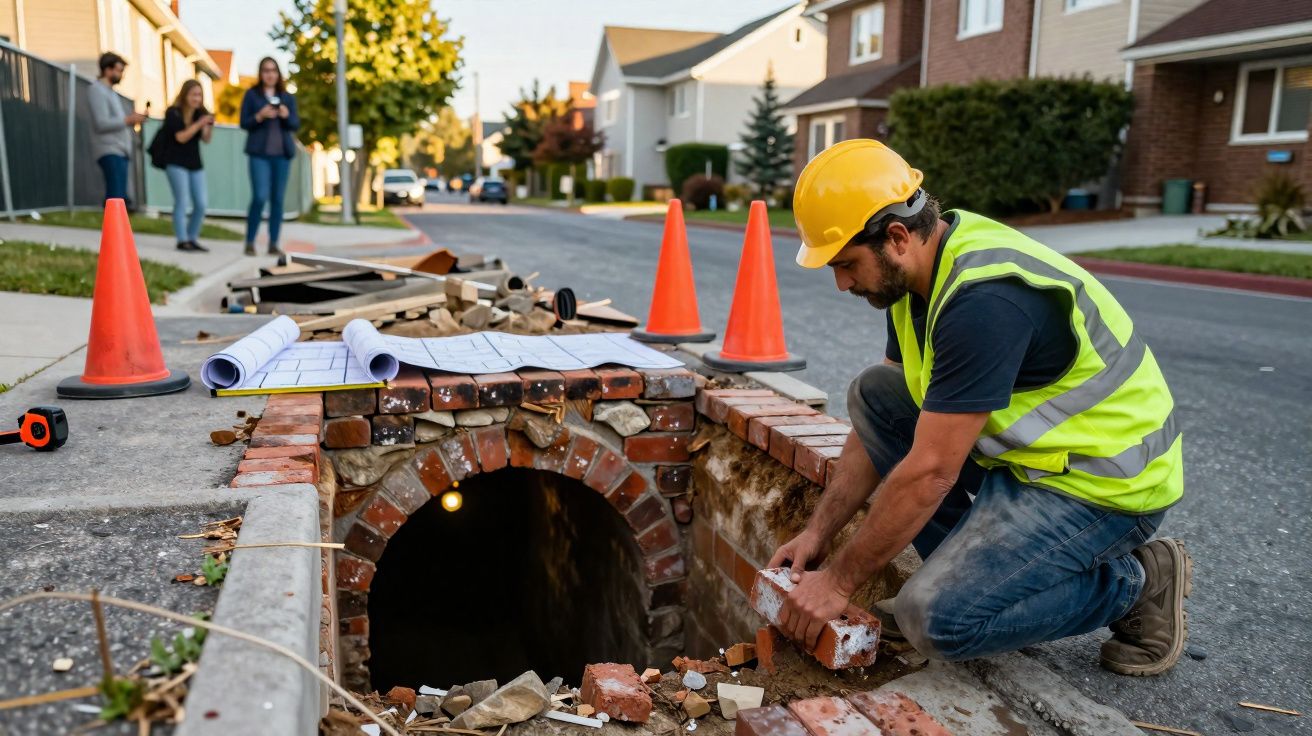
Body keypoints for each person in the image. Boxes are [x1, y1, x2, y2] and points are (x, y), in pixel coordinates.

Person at [771, 139, 1190, 677]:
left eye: (847, 263)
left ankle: (1137, 584)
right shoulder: (917, 278)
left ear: (896, 237)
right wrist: (816, 534)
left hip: (1100, 486)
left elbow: (930, 473)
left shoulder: (984, 302)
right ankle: (981, 579)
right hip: (1027, 461)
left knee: (937, 621)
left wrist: (838, 581)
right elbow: (883, 428)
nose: (842, 282)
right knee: (875, 393)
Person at [240, 57, 299, 256]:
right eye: (266, 70)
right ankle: (250, 241)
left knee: (278, 200)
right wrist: (259, 116)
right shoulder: (252, 95)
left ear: (278, 73)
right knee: (259, 196)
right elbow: (244, 123)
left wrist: (285, 115)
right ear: (261, 73)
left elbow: (295, 125)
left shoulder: (287, 97)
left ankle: (273, 243)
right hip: (259, 154)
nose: (270, 74)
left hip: (281, 155)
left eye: (273, 70)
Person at [159, 80, 214, 252]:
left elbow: (206, 139)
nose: (196, 99)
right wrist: (199, 124)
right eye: (193, 94)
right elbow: (180, 137)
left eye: (199, 95)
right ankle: (182, 240)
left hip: (194, 163)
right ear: (185, 95)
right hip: (175, 162)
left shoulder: (201, 114)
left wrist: (208, 126)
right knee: (182, 201)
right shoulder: (173, 113)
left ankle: (192, 238)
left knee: (201, 203)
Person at [87, 52, 145, 202]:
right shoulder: (97, 90)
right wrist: (128, 119)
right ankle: (112, 226)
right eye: (119, 70)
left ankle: (117, 225)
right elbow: (101, 123)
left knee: (120, 197)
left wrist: (131, 119)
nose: (121, 75)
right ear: (107, 70)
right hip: (109, 150)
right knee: (115, 196)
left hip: (120, 150)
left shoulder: (111, 93)